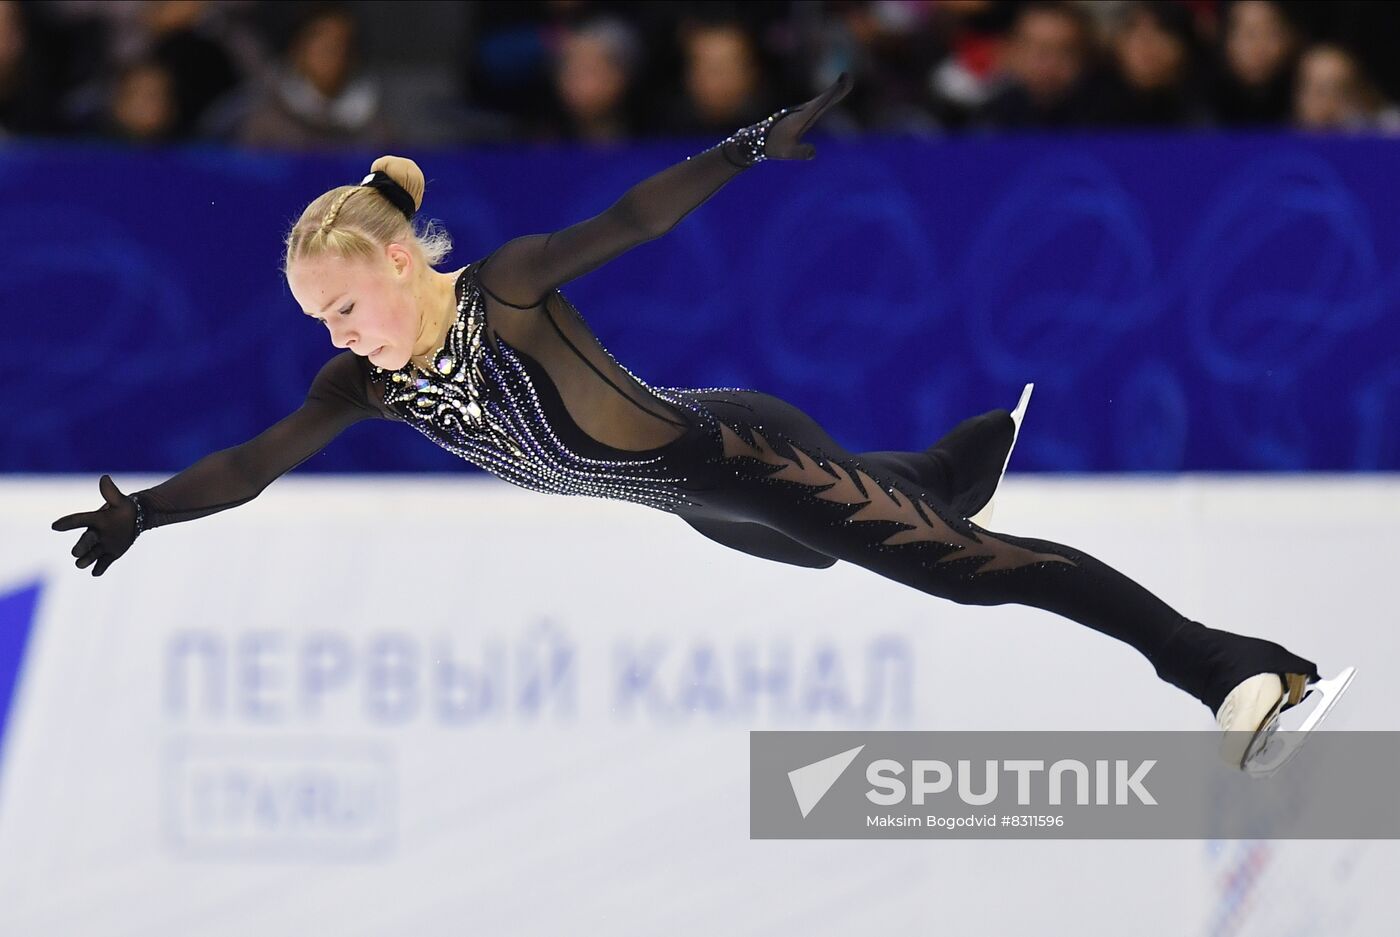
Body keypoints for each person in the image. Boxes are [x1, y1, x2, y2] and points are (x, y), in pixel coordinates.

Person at [51, 73, 1351, 775]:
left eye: (340, 304)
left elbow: (627, 220)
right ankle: (968, 456)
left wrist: (742, 148)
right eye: (317, 318)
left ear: (398, 270)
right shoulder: (368, 382)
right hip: (696, 504)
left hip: (726, 449)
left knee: (956, 568)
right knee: (877, 521)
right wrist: (148, 509)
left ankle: (1230, 665)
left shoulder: (500, 293)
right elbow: (254, 462)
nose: (332, 335)